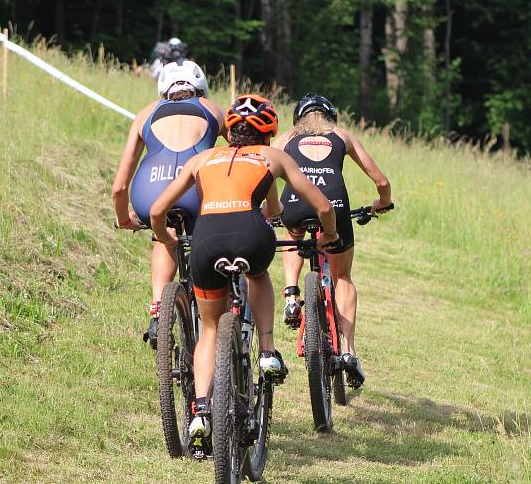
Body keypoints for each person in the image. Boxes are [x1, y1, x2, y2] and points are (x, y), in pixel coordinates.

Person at [149, 94, 339, 447]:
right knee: (257, 274)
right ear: (267, 134)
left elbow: (158, 209)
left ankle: (201, 411)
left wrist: (168, 239)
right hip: (251, 235)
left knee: (208, 328)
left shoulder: (203, 159)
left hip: (207, 239)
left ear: (230, 132)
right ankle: (266, 351)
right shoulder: (273, 156)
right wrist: (329, 234)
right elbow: (323, 206)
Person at [272, 93, 392, 389]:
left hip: (295, 203)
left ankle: (290, 295)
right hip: (334, 204)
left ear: (298, 118)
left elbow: (265, 171)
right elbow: (382, 182)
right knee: (342, 276)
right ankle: (348, 351)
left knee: (293, 233)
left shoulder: (287, 138)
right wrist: (382, 202)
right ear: (331, 116)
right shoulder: (341, 136)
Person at [111, 60, 226, 347]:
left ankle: (158, 308)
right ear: (201, 89)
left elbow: (119, 187)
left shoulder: (145, 114)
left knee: (164, 236)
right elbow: (245, 155)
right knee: (212, 237)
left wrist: (125, 217)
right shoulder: (212, 110)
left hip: (149, 193)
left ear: (164, 90)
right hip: (194, 189)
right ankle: (214, 305)